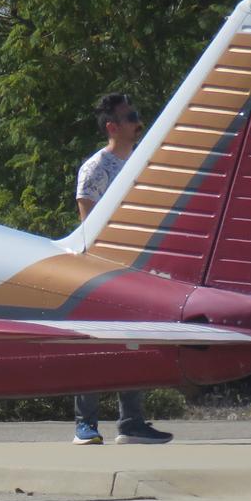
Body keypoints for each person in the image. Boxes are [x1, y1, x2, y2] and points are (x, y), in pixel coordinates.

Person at [74, 92, 173, 446]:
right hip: (103, 271)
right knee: (95, 347)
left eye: (137, 114)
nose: (137, 121)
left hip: (141, 270)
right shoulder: (96, 168)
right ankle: (85, 425)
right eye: (131, 116)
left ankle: (131, 423)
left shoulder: (143, 164)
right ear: (113, 126)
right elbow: (88, 221)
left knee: (134, 344)